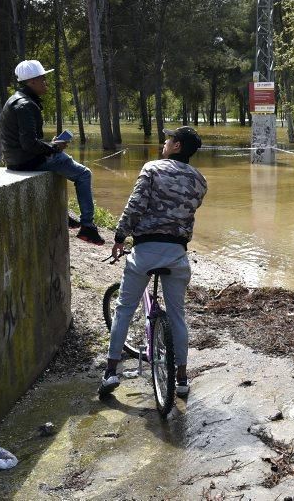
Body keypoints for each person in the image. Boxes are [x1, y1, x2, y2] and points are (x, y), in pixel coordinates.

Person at [99, 126, 207, 397]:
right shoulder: (200, 180)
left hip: (146, 251)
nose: (164, 142)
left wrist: (120, 235)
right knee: (177, 315)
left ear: (177, 146)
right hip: (177, 255)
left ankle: (111, 371)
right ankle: (182, 379)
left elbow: (135, 206)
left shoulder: (152, 169)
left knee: (124, 309)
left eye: (169, 139)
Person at [0, 59, 105, 245]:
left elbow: (24, 141)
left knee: (61, 168)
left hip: (16, 159)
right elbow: (29, 144)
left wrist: (50, 145)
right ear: (31, 81)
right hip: (27, 160)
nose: (46, 82)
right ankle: (88, 226)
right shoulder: (26, 105)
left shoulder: (15, 99)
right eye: (42, 79)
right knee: (83, 174)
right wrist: (54, 147)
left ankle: (64, 215)